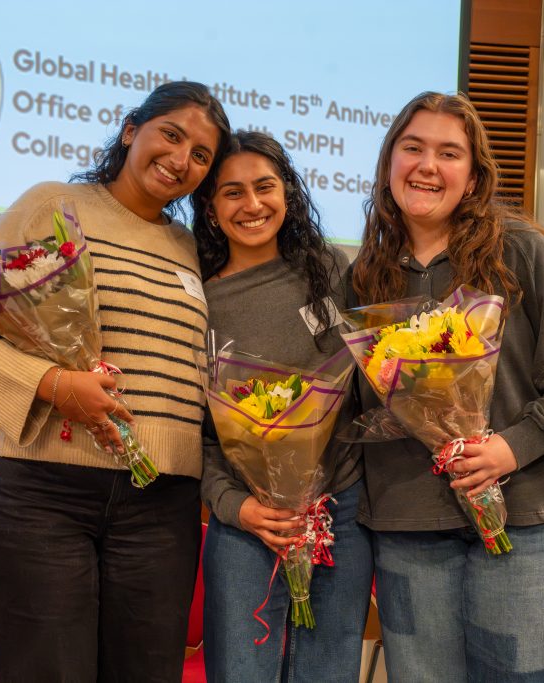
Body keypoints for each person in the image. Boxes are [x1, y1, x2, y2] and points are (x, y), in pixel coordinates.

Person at [0, 81, 230, 682]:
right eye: (172, 135)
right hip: (45, 496)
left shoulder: (193, 249)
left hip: (164, 507)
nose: (181, 160)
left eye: (201, 155)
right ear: (132, 130)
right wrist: (54, 384)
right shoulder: (54, 204)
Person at [345, 91, 544, 682]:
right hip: (409, 529)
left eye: (449, 153)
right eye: (412, 147)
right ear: (389, 161)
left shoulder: (525, 255)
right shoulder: (363, 276)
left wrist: (509, 448)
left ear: (472, 179)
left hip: (526, 524)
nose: (427, 165)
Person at [192, 131, 373, 682]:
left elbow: (362, 385)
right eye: (232, 192)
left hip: (340, 511)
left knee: (329, 671)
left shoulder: (326, 267)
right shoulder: (196, 297)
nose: (252, 205)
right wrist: (235, 506)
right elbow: (192, 431)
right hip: (250, 523)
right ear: (209, 206)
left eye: (265, 187)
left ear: (288, 193)